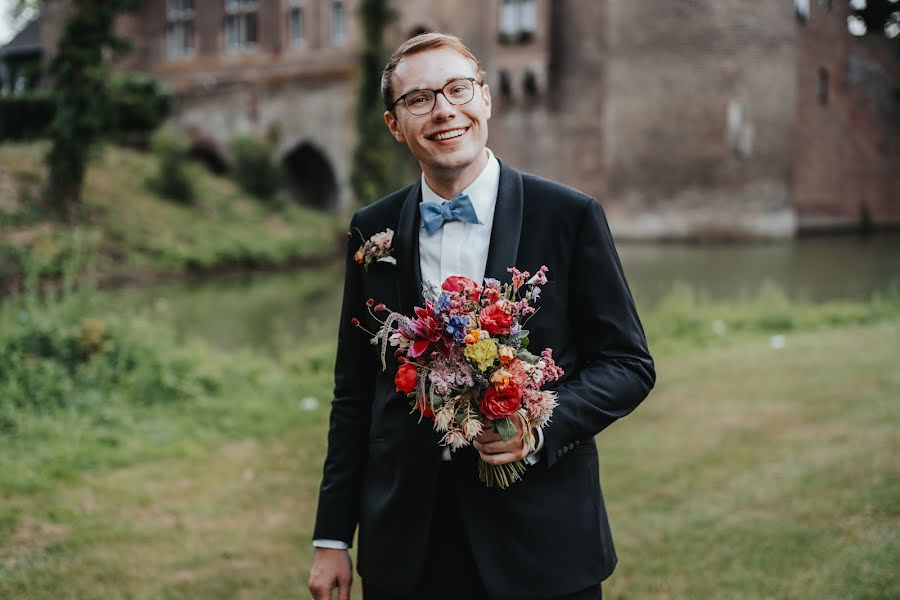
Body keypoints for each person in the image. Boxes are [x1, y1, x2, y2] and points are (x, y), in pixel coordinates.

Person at [308, 33, 655, 600]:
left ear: (485, 99)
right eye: (418, 99)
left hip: (540, 542)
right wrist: (331, 537)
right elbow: (354, 392)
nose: (444, 110)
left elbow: (628, 364)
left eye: (457, 89)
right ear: (396, 125)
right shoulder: (372, 230)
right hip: (409, 546)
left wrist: (542, 424)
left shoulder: (569, 216)